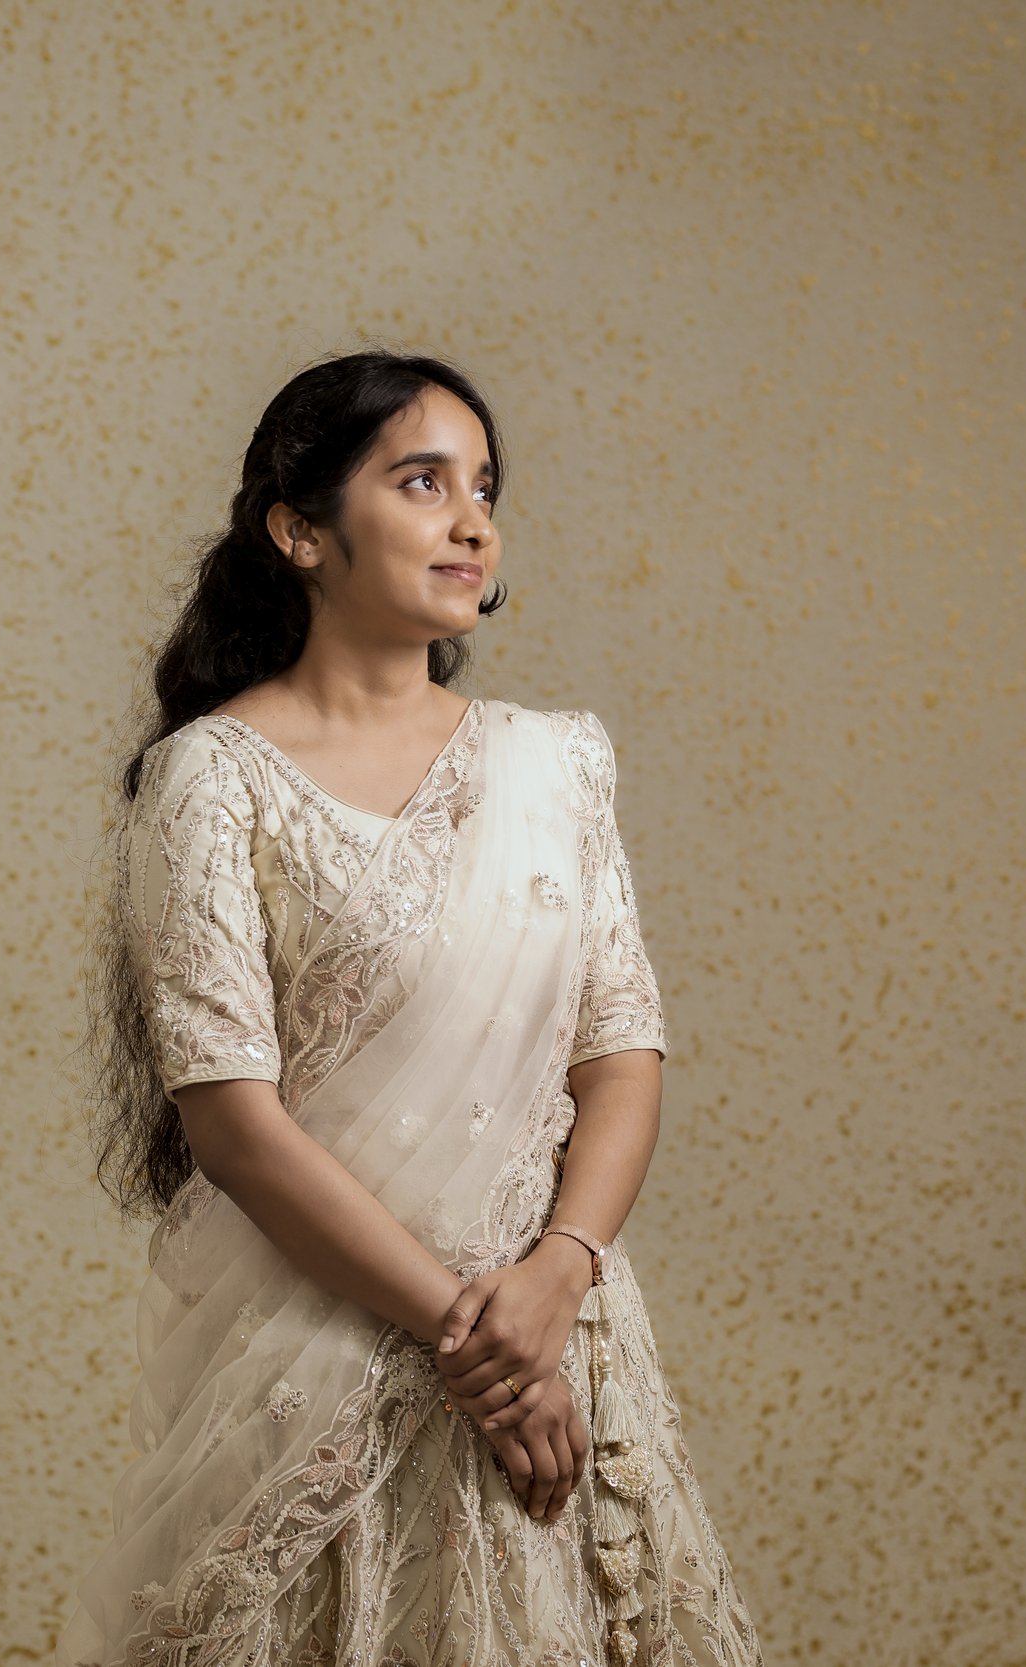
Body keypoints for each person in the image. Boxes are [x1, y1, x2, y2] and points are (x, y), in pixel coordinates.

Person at [62, 352, 759, 1667]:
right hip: (331, 1363)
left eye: (484, 486)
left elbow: (621, 1051)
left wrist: (559, 1275)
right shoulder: (215, 781)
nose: (471, 517)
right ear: (301, 530)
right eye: (421, 480)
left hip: (561, 1350)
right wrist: (472, 1343)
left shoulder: (553, 765)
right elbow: (235, 1128)